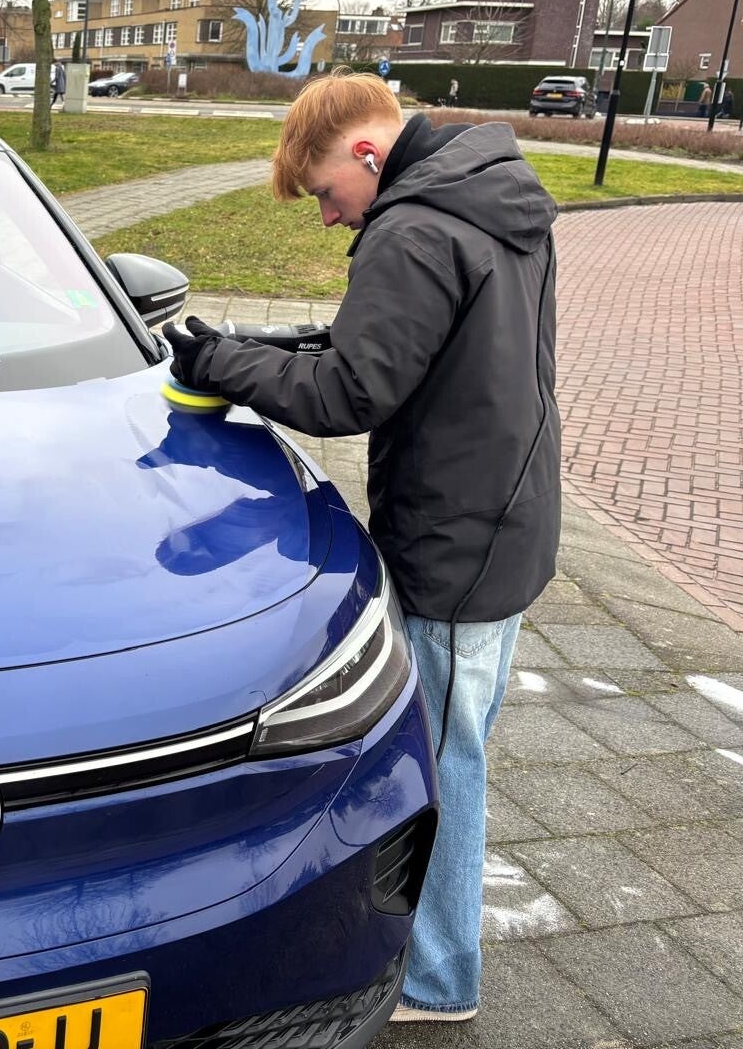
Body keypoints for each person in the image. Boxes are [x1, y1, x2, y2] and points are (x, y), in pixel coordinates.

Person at [163, 68, 560, 1024]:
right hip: (505, 518)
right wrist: (275, 345)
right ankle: (434, 958)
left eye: (327, 192)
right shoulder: (488, 197)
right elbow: (406, 350)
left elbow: (351, 393)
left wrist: (222, 363)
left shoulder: (413, 229)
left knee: (441, 762)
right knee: (458, 741)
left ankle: (437, 982)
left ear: (369, 153)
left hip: (456, 544)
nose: (330, 216)